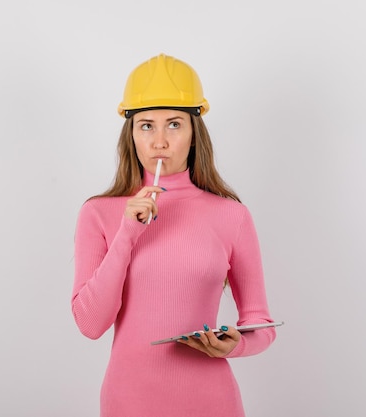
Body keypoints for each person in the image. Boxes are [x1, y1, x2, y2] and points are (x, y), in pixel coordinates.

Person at [71, 53, 277, 417]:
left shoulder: (232, 215)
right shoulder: (98, 213)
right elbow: (90, 325)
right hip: (128, 402)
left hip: (212, 403)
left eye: (175, 125)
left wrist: (234, 346)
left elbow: (260, 323)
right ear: (131, 134)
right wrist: (127, 233)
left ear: (194, 133)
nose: (160, 141)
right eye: (147, 125)